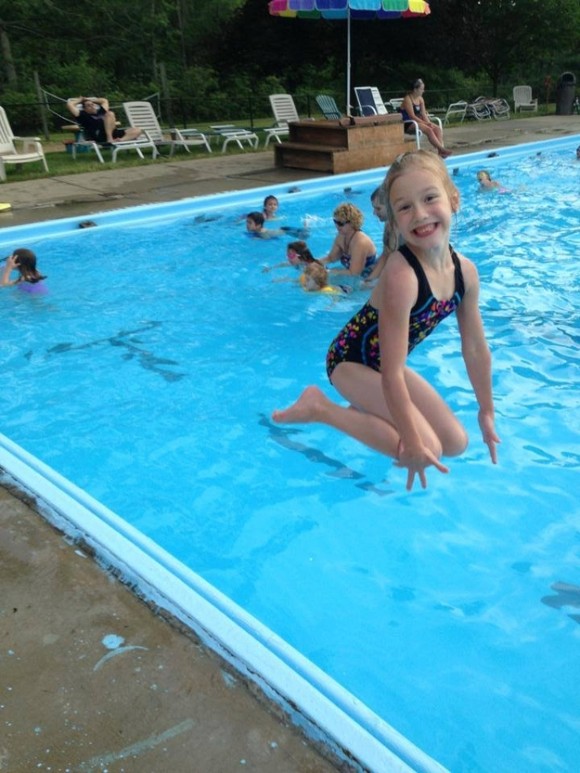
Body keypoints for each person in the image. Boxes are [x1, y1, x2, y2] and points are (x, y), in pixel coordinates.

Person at [272, 150, 499, 491]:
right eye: (405, 207)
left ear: (454, 200)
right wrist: (411, 442)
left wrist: (486, 409)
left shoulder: (465, 272)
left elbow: (476, 348)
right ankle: (320, 407)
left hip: (383, 366)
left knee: (456, 443)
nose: (420, 214)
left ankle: (365, 404)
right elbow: (392, 373)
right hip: (350, 361)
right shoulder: (402, 274)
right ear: (394, 221)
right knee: (426, 447)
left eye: (430, 198)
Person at [320, 203, 378, 279]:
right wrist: (313, 263)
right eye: (335, 222)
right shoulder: (341, 236)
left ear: (352, 222)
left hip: (366, 278)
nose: (337, 226)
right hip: (351, 275)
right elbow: (331, 258)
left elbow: (354, 273)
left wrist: (329, 272)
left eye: (341, 223)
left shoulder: (360, 242)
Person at [400, 80, 452, 159]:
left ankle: (440, 151)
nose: (423, 91)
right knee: (429, 130)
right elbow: (412, 116)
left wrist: (429, 123)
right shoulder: (408, 99)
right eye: (421, 89)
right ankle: (441, 149)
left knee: (437, 128)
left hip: (418, 122)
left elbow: (424, 114)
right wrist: (426, 124)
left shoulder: (420, 99)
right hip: (408, 123)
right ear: (415, 89)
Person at [66, 96, 142, 145]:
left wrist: (89, 100)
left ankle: (120, 140)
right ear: (84, 108)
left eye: (92, 104)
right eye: (88, 105)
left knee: (137, 130)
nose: (91, 106)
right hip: (99, 135)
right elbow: (70, 104)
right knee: (110, 114)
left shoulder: (101, 111)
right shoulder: (82, 115)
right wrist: (80, 100)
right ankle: (110, 139)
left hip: (113, 133)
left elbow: (104, 100)